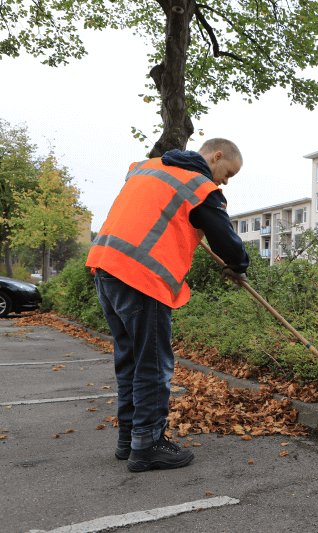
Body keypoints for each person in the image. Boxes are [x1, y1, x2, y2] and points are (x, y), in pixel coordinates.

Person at [86, 138, 249, 472]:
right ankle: (148, 448)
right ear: (216, 156)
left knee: (129, 361)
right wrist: (239, 265)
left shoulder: (146, 168)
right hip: (141, 277)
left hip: (105, 268)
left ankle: (129, 441)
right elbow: (227, 241)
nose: (225, 181)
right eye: (228, 172)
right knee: (152, 366)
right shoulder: (198, 186)